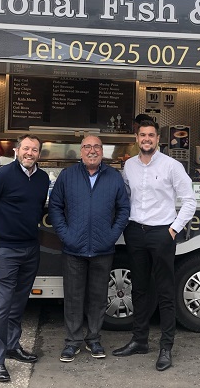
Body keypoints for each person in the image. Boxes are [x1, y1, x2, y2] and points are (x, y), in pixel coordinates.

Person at [112, 119, 196, 371]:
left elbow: (189, 201)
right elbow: (125, 197)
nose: (146, 139)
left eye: (151, 135)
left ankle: (166, 347)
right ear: (136, 138)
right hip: (135, 232)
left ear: (158, 139)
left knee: (165, 291)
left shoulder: (172, 165)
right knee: (138, 289)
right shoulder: (129, 165)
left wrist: (172, 230)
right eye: (142, 135)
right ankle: (140, 340)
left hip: (162, 233)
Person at [0, 134, 49, 383]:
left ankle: (13, 346)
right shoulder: (1, 176)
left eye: (34, 150)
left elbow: (38, 209)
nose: (30, 153)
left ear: (39, 153)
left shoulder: (42, 178)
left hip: (30, 249)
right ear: (16, 150)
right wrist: (0, 230)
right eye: (26, 148)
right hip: (5, 249)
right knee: (4, 303)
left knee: (19, 302)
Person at [48, 135, 130, 363]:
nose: (92, 151)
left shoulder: (113, 177)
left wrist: (112, 236)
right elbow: (55, 207)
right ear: (80, 151)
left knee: (98, 298)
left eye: (96, 147)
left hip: (103, 249)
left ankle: (94, 339)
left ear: (103, 151)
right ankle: (72, 342)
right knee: (73, 298)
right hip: (73, 248)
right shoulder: (68, 176)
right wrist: (66, 235)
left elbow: (124, 209)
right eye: (87, 147)